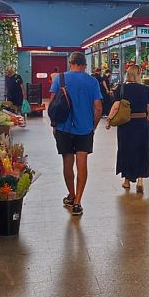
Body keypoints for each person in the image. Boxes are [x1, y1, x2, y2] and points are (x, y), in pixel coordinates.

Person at [49, 52, 103, 216]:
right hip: (84, 128)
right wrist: (93, 127)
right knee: (82, 163)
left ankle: (71, 195)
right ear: (85, 65)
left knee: (67, 162)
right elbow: (98, 108)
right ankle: (78, 202)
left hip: (64, 128)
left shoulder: (60, 79)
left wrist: (54, 125)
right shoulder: (92, 81)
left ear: (70, 63)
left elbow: (52, 105)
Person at [106, 64, 149, 193]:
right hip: (141, 124)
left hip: (126, 124)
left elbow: (116, 106)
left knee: (126, 150)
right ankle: (140, 180)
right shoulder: (144, 89)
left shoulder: (121, 88)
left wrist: (109, 119)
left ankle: (126, 181)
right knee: (142, 150)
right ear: (138, 75)